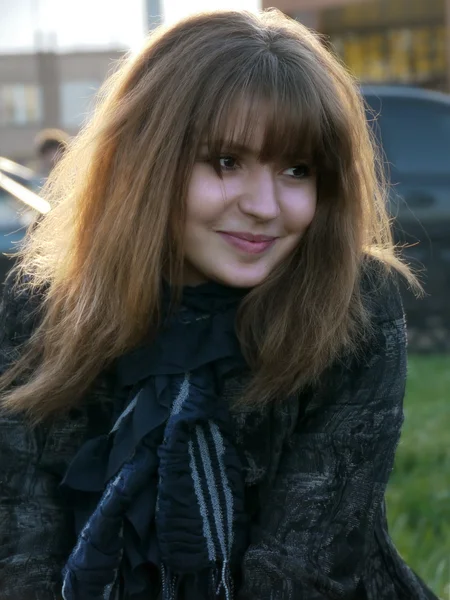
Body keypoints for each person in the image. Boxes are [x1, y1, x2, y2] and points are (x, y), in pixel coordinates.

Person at [0, 9, 437, 600]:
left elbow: (304, 564)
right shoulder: (34, 306)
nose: (264, 204)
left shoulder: (352, 300)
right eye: (226, 162)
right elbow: (20, 549)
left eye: (296, 170)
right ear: (144, 158)